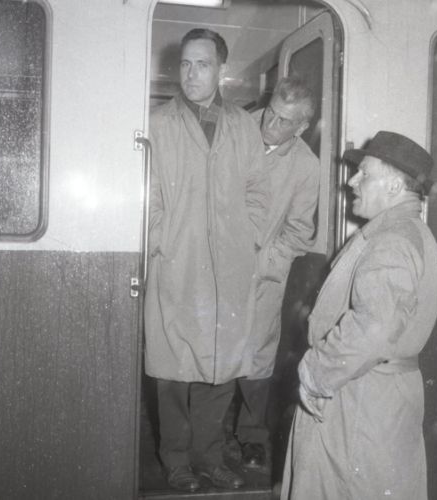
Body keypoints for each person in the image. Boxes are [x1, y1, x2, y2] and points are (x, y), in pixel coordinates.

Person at [281, 131, 437, 500]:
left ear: (394, 186)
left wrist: (316, 374)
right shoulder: (409, 232)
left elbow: (374, 327)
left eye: (364, 174)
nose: (352, 181)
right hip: (375, 396)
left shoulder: (392, 241)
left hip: (359, 402)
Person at [144, 28, 268, 492]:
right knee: (174, 371)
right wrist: (164, 241)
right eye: (185, 64)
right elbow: (148, 196)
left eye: (202, 64)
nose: (192, 73)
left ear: (222, 70)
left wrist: (248, 239)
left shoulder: (243, 125)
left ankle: (209, 457)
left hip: (229, 266)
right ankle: (176, 461)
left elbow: (258, 192)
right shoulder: (158, 124)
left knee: (220, 368)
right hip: (178, 262)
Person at [235, 77, 320, 470]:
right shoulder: (236, 129)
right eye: (270, 112)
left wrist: (267, 263)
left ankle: (251, 436)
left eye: (284, 121)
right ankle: (203, 439)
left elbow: (300, 230)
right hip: (212, 265)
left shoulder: (306, 166)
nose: (270, 124)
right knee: (207, 349)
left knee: (257, 355)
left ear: (301, 127)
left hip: (262, 274)